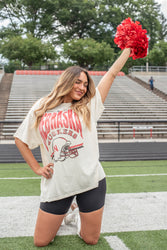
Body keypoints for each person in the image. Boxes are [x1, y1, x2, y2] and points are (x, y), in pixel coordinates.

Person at [14, 48, 131, 247]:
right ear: (66, 81)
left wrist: (127, 50)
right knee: (41, 241)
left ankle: (77, 217)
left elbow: (111, 74)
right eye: (78, 82)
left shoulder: (88, 106)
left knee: (90, 239)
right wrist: (37, 168)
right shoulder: (42, 106)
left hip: (90, 181)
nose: (82, 87)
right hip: (58, 184)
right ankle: (67, 211)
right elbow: (20, 138)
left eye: (85, 84)